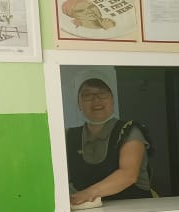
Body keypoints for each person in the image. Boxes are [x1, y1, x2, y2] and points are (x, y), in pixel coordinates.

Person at [65, 68, 153, 204]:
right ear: (79, 104)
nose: (96, 100)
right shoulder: (69, 136)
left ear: (112, 100)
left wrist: (87, 194)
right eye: (87, 95)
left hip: (134, 210)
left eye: (103, 93)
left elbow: (128, 175)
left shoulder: (130, 131)